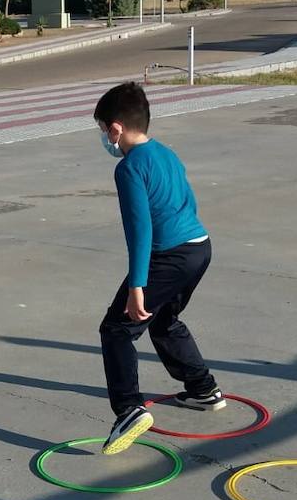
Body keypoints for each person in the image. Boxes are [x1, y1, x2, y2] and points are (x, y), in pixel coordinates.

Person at [94, 82, 222, 456]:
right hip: (199, 248)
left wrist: (137, 285)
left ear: (116, 128)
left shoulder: (129, 168)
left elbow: (139, 229)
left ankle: (128, 409)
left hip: (169, 255)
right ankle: (203, 389)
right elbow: (189, 201)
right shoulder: (166, 153)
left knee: (117, 329)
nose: (104, 138)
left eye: (103, 130)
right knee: (163, 319)